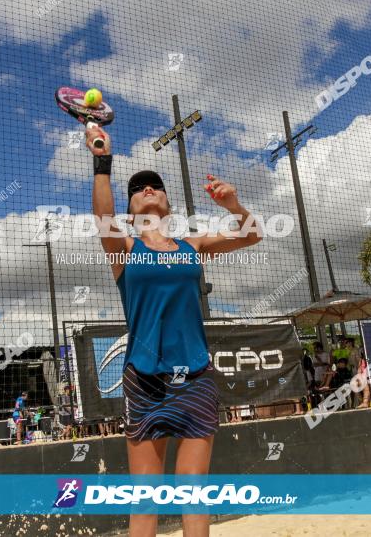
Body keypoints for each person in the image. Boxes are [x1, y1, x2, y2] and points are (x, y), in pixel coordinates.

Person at [87, 122, 262, 536]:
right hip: (145, 379)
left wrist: (235, 205)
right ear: (131, 211)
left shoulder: (193, 245)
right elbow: (102, 217)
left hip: (196, 376)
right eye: (139, 187)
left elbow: (252, 235)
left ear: (166, 202)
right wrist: (101, 160)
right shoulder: (125, 248)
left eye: (155, 185)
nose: (148, 188)